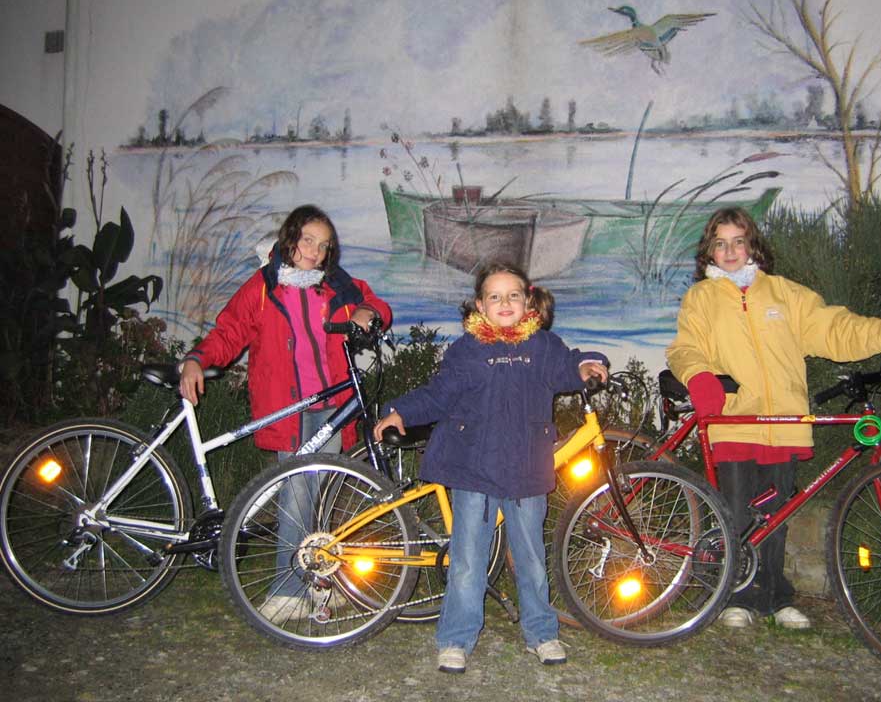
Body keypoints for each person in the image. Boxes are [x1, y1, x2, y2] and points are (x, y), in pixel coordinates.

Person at [666, 207, 881, 630]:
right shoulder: (700, 298)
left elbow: (835, 328)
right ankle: (734, 596)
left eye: (739, 241)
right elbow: (685, 348)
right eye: (720, 243)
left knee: (775, 516)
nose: (730, 250)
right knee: (736, 514)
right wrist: (699, 378)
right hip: (734, 421)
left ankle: (774, 598)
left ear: (752, 245)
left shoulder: (785, 294)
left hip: (784, 422)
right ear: (709, 252)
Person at [373, 262, 608, 674]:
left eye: (513, 295)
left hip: (526, 469)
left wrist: (590, 363)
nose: (505, 303)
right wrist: (399, 412)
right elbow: (438, 394)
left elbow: (571, 365)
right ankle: (456, 637)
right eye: (494, 296)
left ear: (528, 301)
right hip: (473, 468)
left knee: (532, 559)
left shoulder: (543, 346)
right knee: (466, 560)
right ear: (480, 305)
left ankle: (542, 632)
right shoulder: (467, 349)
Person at [178, 204, 392, 617]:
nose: (314, 252)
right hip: (289, 409)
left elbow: (377, 304)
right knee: (297, 497)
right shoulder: (263, 288)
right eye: (308, 241)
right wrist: (196, 359)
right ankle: (286, 592)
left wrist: (369, 311)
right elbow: (229, 331)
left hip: (330, 405)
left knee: (323, 500)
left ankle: (321, 586)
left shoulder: (338, 286)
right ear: (289, 239)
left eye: (324, 246)